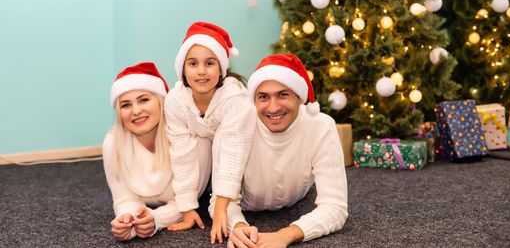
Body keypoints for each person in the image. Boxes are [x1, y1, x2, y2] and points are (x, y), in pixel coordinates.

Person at [226, 54, 348, 248]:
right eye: (264, 97)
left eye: (283, 94)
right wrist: (238, 225)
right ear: (254, 100)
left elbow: (335, 207)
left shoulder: (321, 126)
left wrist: (286, 235)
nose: (273, 108)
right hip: (245, 205)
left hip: (296, 199)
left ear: (299, 97)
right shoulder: (237, 124)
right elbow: (221, 199)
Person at [164, 22, 256, 244]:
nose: (201, 71)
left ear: (221, 68)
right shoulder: (175, 101)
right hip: (207, 159)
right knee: (196, 143)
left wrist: (221, 206)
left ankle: (224, 203)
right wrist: (186, 207)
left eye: (210, 63)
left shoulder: (235, 98)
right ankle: (202, 197)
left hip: (245, 155)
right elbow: (182, 155)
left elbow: (234, 150)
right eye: (193, 63)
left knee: (223, 140)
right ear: (183, 69)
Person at [103, 62, 202, 241]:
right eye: (126, 105)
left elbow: (188, 197)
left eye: (144, 100)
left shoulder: (187, 136)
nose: (136, 111)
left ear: (161, 101)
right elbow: (124, 198)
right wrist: (129, 220)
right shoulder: (112, 143)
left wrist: (157, 218)